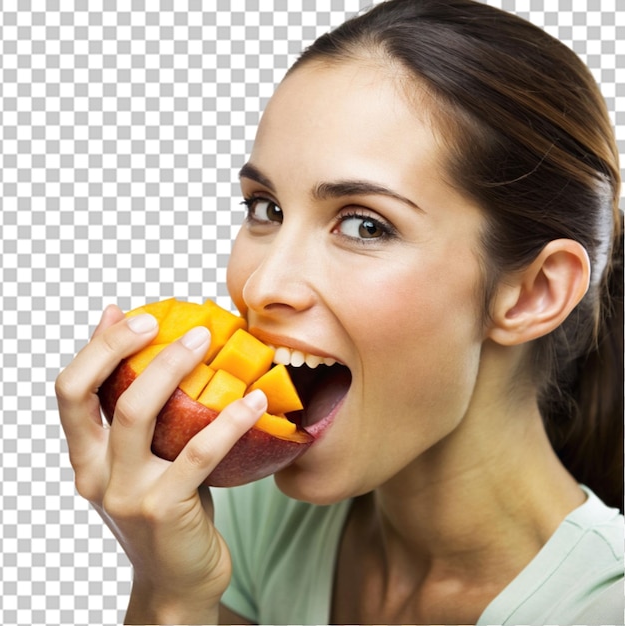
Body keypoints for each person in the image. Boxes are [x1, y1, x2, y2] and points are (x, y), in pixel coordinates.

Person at [56, 0, 624, 624]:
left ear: (533, 292)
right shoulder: (234, 525)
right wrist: (172, 592)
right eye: (265, 209)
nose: (262, 285)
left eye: (364, 224)